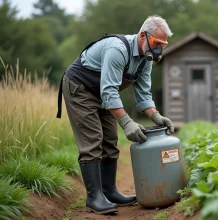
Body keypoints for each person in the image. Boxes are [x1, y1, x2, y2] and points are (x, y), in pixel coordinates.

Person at [56, 15, 174, 214]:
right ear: (144, 36)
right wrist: (127, 122)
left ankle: (109, 191)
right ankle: (94, 197)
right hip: (80, 89)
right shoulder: (117, 49)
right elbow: (109, 91)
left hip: (103, 93)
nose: (159, 48)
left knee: (110, 140)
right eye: (156, 42)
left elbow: (143, 94)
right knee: (93, 140)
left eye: (163, 44)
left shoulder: (146, 59)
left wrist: (156, 116)